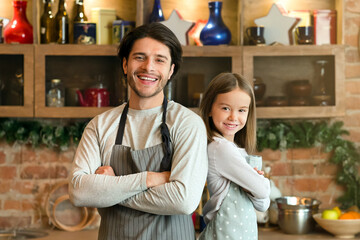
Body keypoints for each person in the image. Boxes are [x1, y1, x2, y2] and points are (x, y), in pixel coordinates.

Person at [68, 23, 208, 240]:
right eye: (139, 57)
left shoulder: (187, 124)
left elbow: (184, 200)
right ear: (125, 65)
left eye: (159, 60)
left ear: (171, 70)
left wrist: (111, 190)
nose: (148, 67)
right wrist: (150, 179)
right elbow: (79, 192)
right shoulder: (99, 126)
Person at [198, 73, 270, 239]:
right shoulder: (220, 148)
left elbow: (263, 205)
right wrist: (258, 183)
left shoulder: (234, 149)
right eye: (225, 108)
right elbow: (261, 190)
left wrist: (255, 186)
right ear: (209, 108)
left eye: (241, 110)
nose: (233, 117)